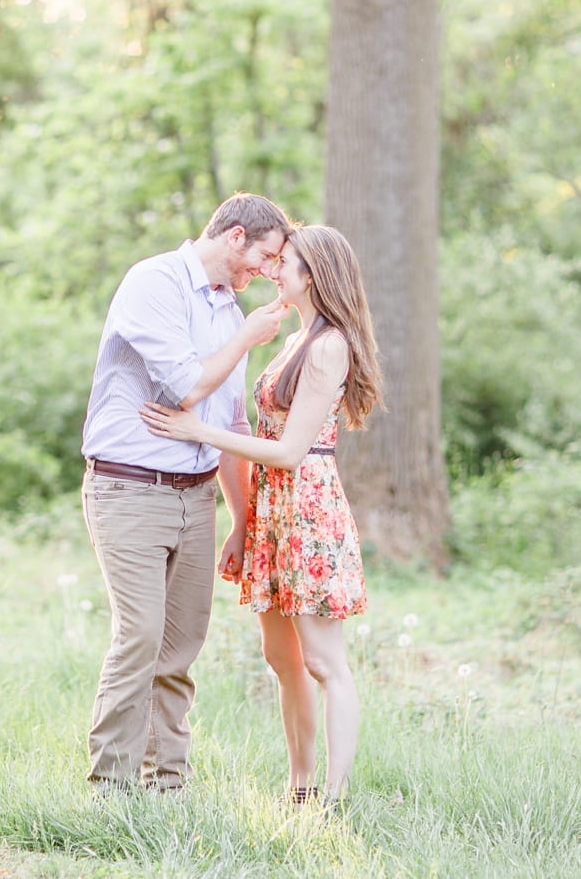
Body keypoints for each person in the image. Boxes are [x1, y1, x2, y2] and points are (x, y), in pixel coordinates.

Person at [140, 224, 382, 806]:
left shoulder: (328, 346)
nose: (274, 269)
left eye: (287, 261)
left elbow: (292, 451)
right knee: (282, 659)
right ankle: (300, 785)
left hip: (308, 508)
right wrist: (245, 523)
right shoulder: (297, 338)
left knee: (325, 662)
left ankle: (333, 796)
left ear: (314, 275)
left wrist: (199, 430)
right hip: (275, 506)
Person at [82, 192, 294, 794]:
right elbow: (187, 388)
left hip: (196, 497)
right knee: (141, 634)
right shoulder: (155, 282)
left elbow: (230, 427)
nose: (267, 272)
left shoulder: (229, 308)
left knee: (180, 646)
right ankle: (110, 791)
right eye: (265, 256)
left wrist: (242, 520)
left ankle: (168, 786)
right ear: (234, 237)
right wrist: (249, 339)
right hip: (128, 487)